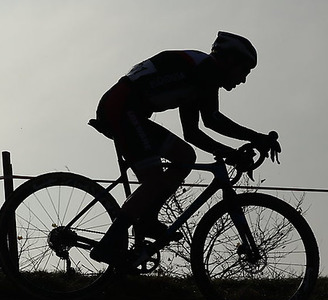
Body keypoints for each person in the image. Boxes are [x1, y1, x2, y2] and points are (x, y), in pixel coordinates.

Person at [90, 31, 281, 265]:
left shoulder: (197, 75)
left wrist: (230, 153)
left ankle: (148, 218)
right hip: (121, 109)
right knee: (153, 180)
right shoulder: (206, 71)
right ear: (230, 60)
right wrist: (257, 139)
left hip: (128, 111)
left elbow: (193, 133)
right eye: (245, 71)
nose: (243, 79)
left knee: (184, 156)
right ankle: (109, 242)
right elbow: (213, 119)